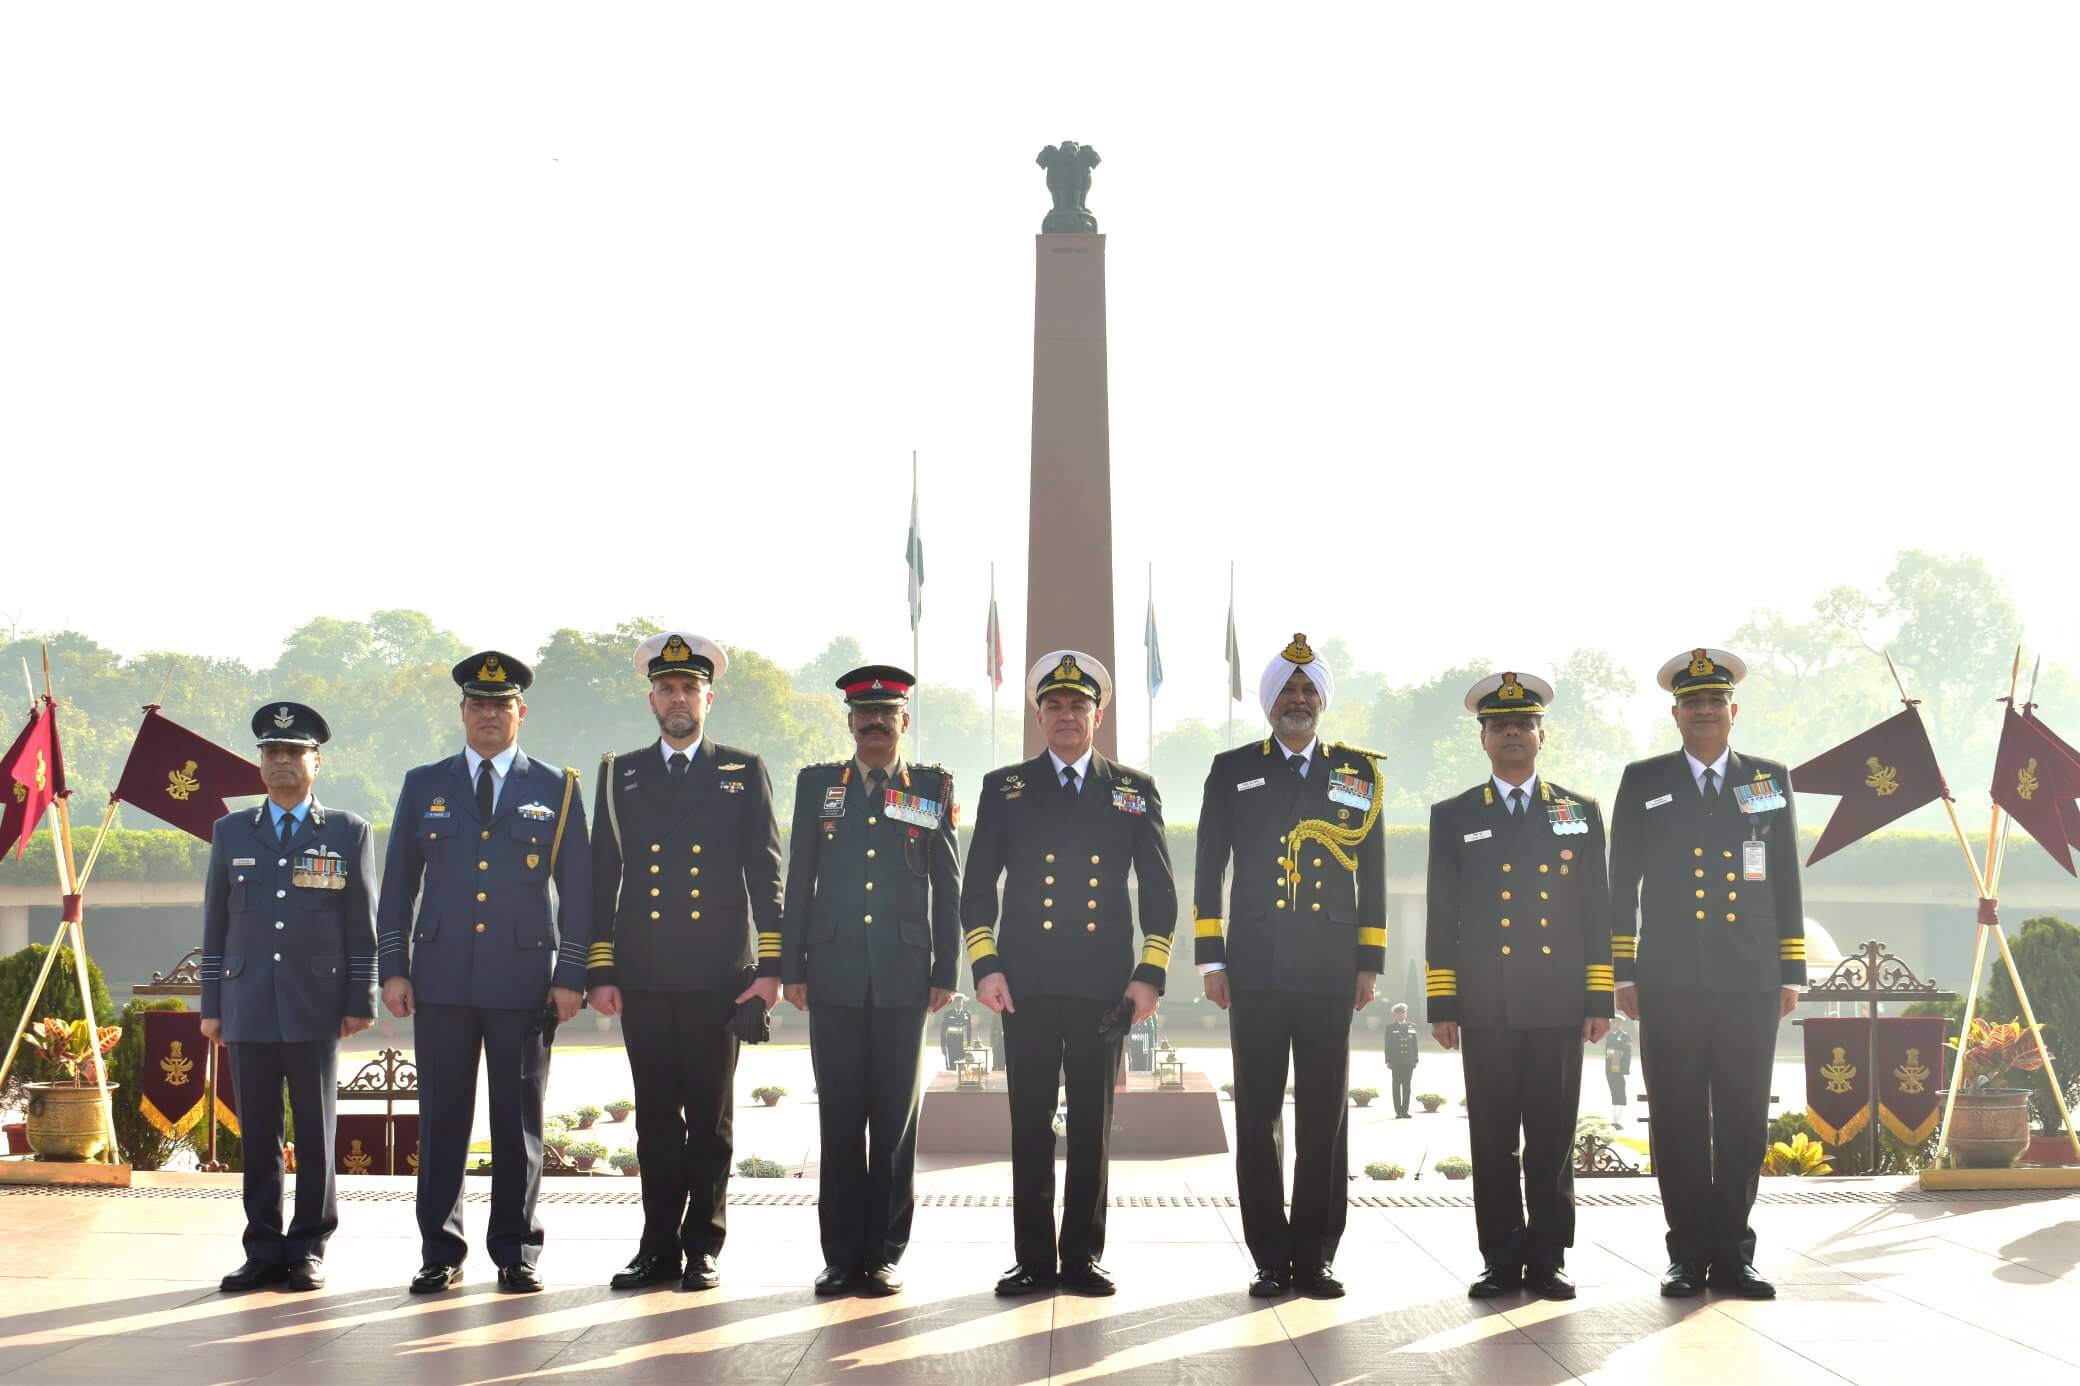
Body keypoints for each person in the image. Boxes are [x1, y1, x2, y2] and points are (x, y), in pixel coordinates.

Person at [962, 650, 1177, 1297]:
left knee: (1091, 1125)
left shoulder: (1132, 789)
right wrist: (986, 964)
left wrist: (1149, 973)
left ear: (1097, 715)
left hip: (1103, 986)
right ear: (1038, 715)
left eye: (1078, 705)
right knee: (1029, 1123)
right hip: (1023, 983)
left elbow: (1159, 891)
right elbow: (978, 887)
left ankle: (1081, 1256)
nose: (1066, 715)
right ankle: (1033, 1258)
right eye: (1053, 705)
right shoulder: (1006, 787)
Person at [376, 651, 591, 1295]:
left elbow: (578, 889)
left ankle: (516, 1249)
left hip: (523, 980)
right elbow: (397, 885)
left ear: (521, 712)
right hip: (440, 977)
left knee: (517, 1121)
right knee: (442, 1117)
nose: (489, 714)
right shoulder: (425, 784)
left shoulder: (556, 787)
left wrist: (571, 973)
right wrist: (393, 968)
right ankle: (440, 1250)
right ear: (463, 711)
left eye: (501, 704)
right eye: (478, 704)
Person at [587, 632, 784, 1294]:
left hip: (718, 976)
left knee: (709, 1119)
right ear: (651, 701)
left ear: (708, 699)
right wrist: (601, 969)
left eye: (689, 689)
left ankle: (702, 1245)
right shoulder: (620, 773)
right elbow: (602, 876)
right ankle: (656, 1247)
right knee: (653, 1120)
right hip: (643, 974)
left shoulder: (741, 770)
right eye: (667, 689)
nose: (678, 698)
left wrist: (769, 967)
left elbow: (767, 874)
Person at [1193, 634, 1385, 1298]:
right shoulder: (1233, 769)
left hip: (1331, 966)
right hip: (1256, 966)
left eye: (1308, 690)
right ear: (1269, 701)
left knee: (1325, 1115)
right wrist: (1211, 959)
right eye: (1287, 690)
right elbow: (1209, 867)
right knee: (1258, 1114)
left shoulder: (1356, 772)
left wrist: (1369, 962)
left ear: (1322, 700)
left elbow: (1373, 873)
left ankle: (1317, 1253)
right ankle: (1270, 1257)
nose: (1297, 700)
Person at [1610, 648, 1805, 1300]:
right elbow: (1621, 882)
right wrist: (1623, 971)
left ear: (1733, 710)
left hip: (1750, 977)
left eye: (1715, 701)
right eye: (1692, 702)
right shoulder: (1645, 780)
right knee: (1677, 1118)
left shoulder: (1767, 779)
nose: (1704, 710)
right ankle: (1686, 1255)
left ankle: (1735, 1254)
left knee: (1745, 1119)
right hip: (1669, 979)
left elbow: (1785, 877)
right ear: (1676, 713)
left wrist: (1791, 969)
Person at [1425, 671, 1612, 1301]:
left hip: (1558, 1002)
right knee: (1493, 1139)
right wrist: (1443, 1001)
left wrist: (1598, 996)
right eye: (1500, 725)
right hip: (1487, 1003)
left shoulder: (1578, 811)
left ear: (1541, 736)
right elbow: (1442, 914)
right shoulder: (1454, 815)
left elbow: (1596, 909)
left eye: (1523, 724)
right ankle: (1500, 1259)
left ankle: (1549, 1257)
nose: (1512, 733)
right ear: (1483, 738)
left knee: (1552, 1139)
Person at [780, 663, 960, 1297]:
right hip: (831, 973)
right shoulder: (818, 786)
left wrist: (945, 969)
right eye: (865, 715)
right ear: (851, 723)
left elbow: (947, 885)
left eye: (886, 714)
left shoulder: (929, 787)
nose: (875, 724)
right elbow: (799, 879)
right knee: (838, 1118)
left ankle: (882, 1253)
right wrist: (792, 967)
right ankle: (839, 1256)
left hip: (904, 977)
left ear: (903, 722)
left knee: (893, 1123)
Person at [202, 702, 376, 1293]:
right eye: (272, 752)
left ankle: (308, 1247)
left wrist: (360, 997)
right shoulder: (231, 831)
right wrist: (211, 1006)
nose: (281, 761)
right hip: (247, 1001)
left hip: (315, 1003)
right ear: (260, 763)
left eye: (293, 752)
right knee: (257, 1134)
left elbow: (361, 923)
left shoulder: (346, 831)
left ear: (316, 762)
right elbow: (216, 922)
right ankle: (262, 1248)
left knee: (316, 1132)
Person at [1384, 1004, 1420, 1119]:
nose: (1402, 1015)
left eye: (1404, 1013)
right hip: (1396, 1061)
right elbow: (1387, 1045)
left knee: (1407, 1087)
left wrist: (1415, 1059)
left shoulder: (1411, 1026)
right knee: (1396, 1086)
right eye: (1399, 1013)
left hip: (1408, 1061)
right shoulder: (1390, 1028)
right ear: (1394, 1015)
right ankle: (1398, 1111)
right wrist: (1388, 1060)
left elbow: (1415, 1045)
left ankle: (1405, 1111)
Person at [1605, 1019, 1634, 1121]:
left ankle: (1619, 1117)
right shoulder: (1609, 1035)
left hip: (1618, 1065)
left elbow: (1627, 1053)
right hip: (1609, 1066)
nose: (1614, 1024)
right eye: (1612, 1022)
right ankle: (1614, 1115)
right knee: (1613, 1089)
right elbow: (1607, 1053)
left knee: (1620, 1089)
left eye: (1616, 1022)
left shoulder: (1625, 1036)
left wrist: (1625, 1069)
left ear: (1620, 1023)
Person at [939, 994, 972, 1072]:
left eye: (960, 1001)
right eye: (957, 1001)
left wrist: (969, 1044)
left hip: (962, 1043)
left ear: (962, 1002)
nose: (959, 1003)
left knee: (962, 1066)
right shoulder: (948, 1014)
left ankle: (961, 1079)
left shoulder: (967, 1014)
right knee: (952, 1066)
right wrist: (943, 1045)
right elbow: (943, 1031)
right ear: (954, 1002)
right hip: (951, 1043)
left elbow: (969, 1030)